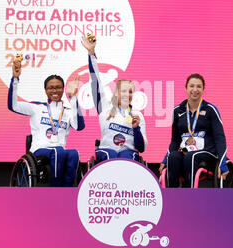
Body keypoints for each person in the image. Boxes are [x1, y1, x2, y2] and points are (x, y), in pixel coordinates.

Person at [8, 56, 85, 187]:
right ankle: (56, 190)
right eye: (51, 88)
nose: (55, 91)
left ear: (63, 89)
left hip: (59, 151)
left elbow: (79, 126)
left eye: (58, 87)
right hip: (40, 150)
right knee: (58, 151)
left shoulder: (66, 112)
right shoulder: (37, 108)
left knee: (73, 153)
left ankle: (67, 191)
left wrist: (73, 98)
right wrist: (15, 79)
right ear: (45, 90)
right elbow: (13, 106)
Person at [81, 34, 147, 161]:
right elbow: (96, 80)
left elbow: (142, 148)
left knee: (126, 156)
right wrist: (91, 53)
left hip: (128, 154)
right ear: (116, 93)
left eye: (130, 92)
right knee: (110, 155)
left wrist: (136, 128)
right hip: (106, 153)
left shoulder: (137, 116)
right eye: (123, 91)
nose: (126, 95)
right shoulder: (104, 107)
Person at [159, 74, 229, 187]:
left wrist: (223, 163)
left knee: (191, 156)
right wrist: (164, 159)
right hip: (186, 150)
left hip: (207, 152)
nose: (195, 90)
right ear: (186, 88)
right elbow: (175, 140)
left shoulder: (210, 110)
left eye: (199, 86)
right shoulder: (177, 110)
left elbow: (220, 138)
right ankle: (172, 195)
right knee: (173, 157)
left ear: (203, 89)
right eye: (191, 86)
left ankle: (189, 196)